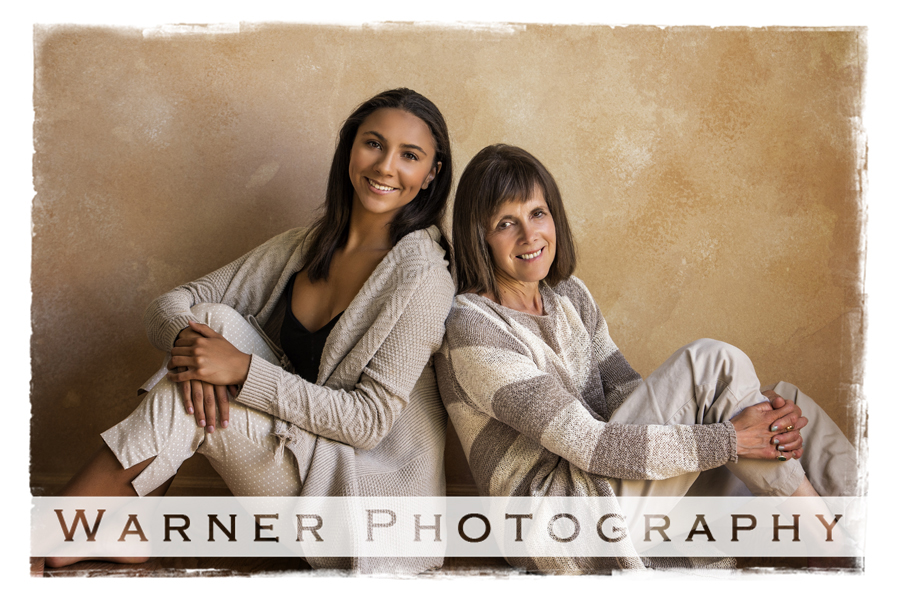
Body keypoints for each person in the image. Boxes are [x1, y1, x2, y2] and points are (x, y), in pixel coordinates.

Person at [47, 88, 456, 574]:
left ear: (431, 173)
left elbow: (367, 423)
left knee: (200, 374)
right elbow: (170, 305)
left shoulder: (424, 278)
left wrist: (241, 371)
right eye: (374, 143)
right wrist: (194, 348)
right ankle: (109, 523)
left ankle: (57, 531)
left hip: (358, 505)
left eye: (410, 156)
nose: (386, 166)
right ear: (351, 149)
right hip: (298, 459)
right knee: (209, 324)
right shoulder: (305, 246)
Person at [435, 143, 859, 573]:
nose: (530, 236)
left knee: (780, 403)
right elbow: (592, 445)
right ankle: (831, 545)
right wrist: (731, 438)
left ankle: (870, 534)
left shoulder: (569, 296)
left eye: (537, 213)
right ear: (479, 236)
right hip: (560, 524)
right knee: (712, 364)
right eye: (506, 223)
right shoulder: (474, 328)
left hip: (616, 493)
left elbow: (629, 400)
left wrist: (739, 410)